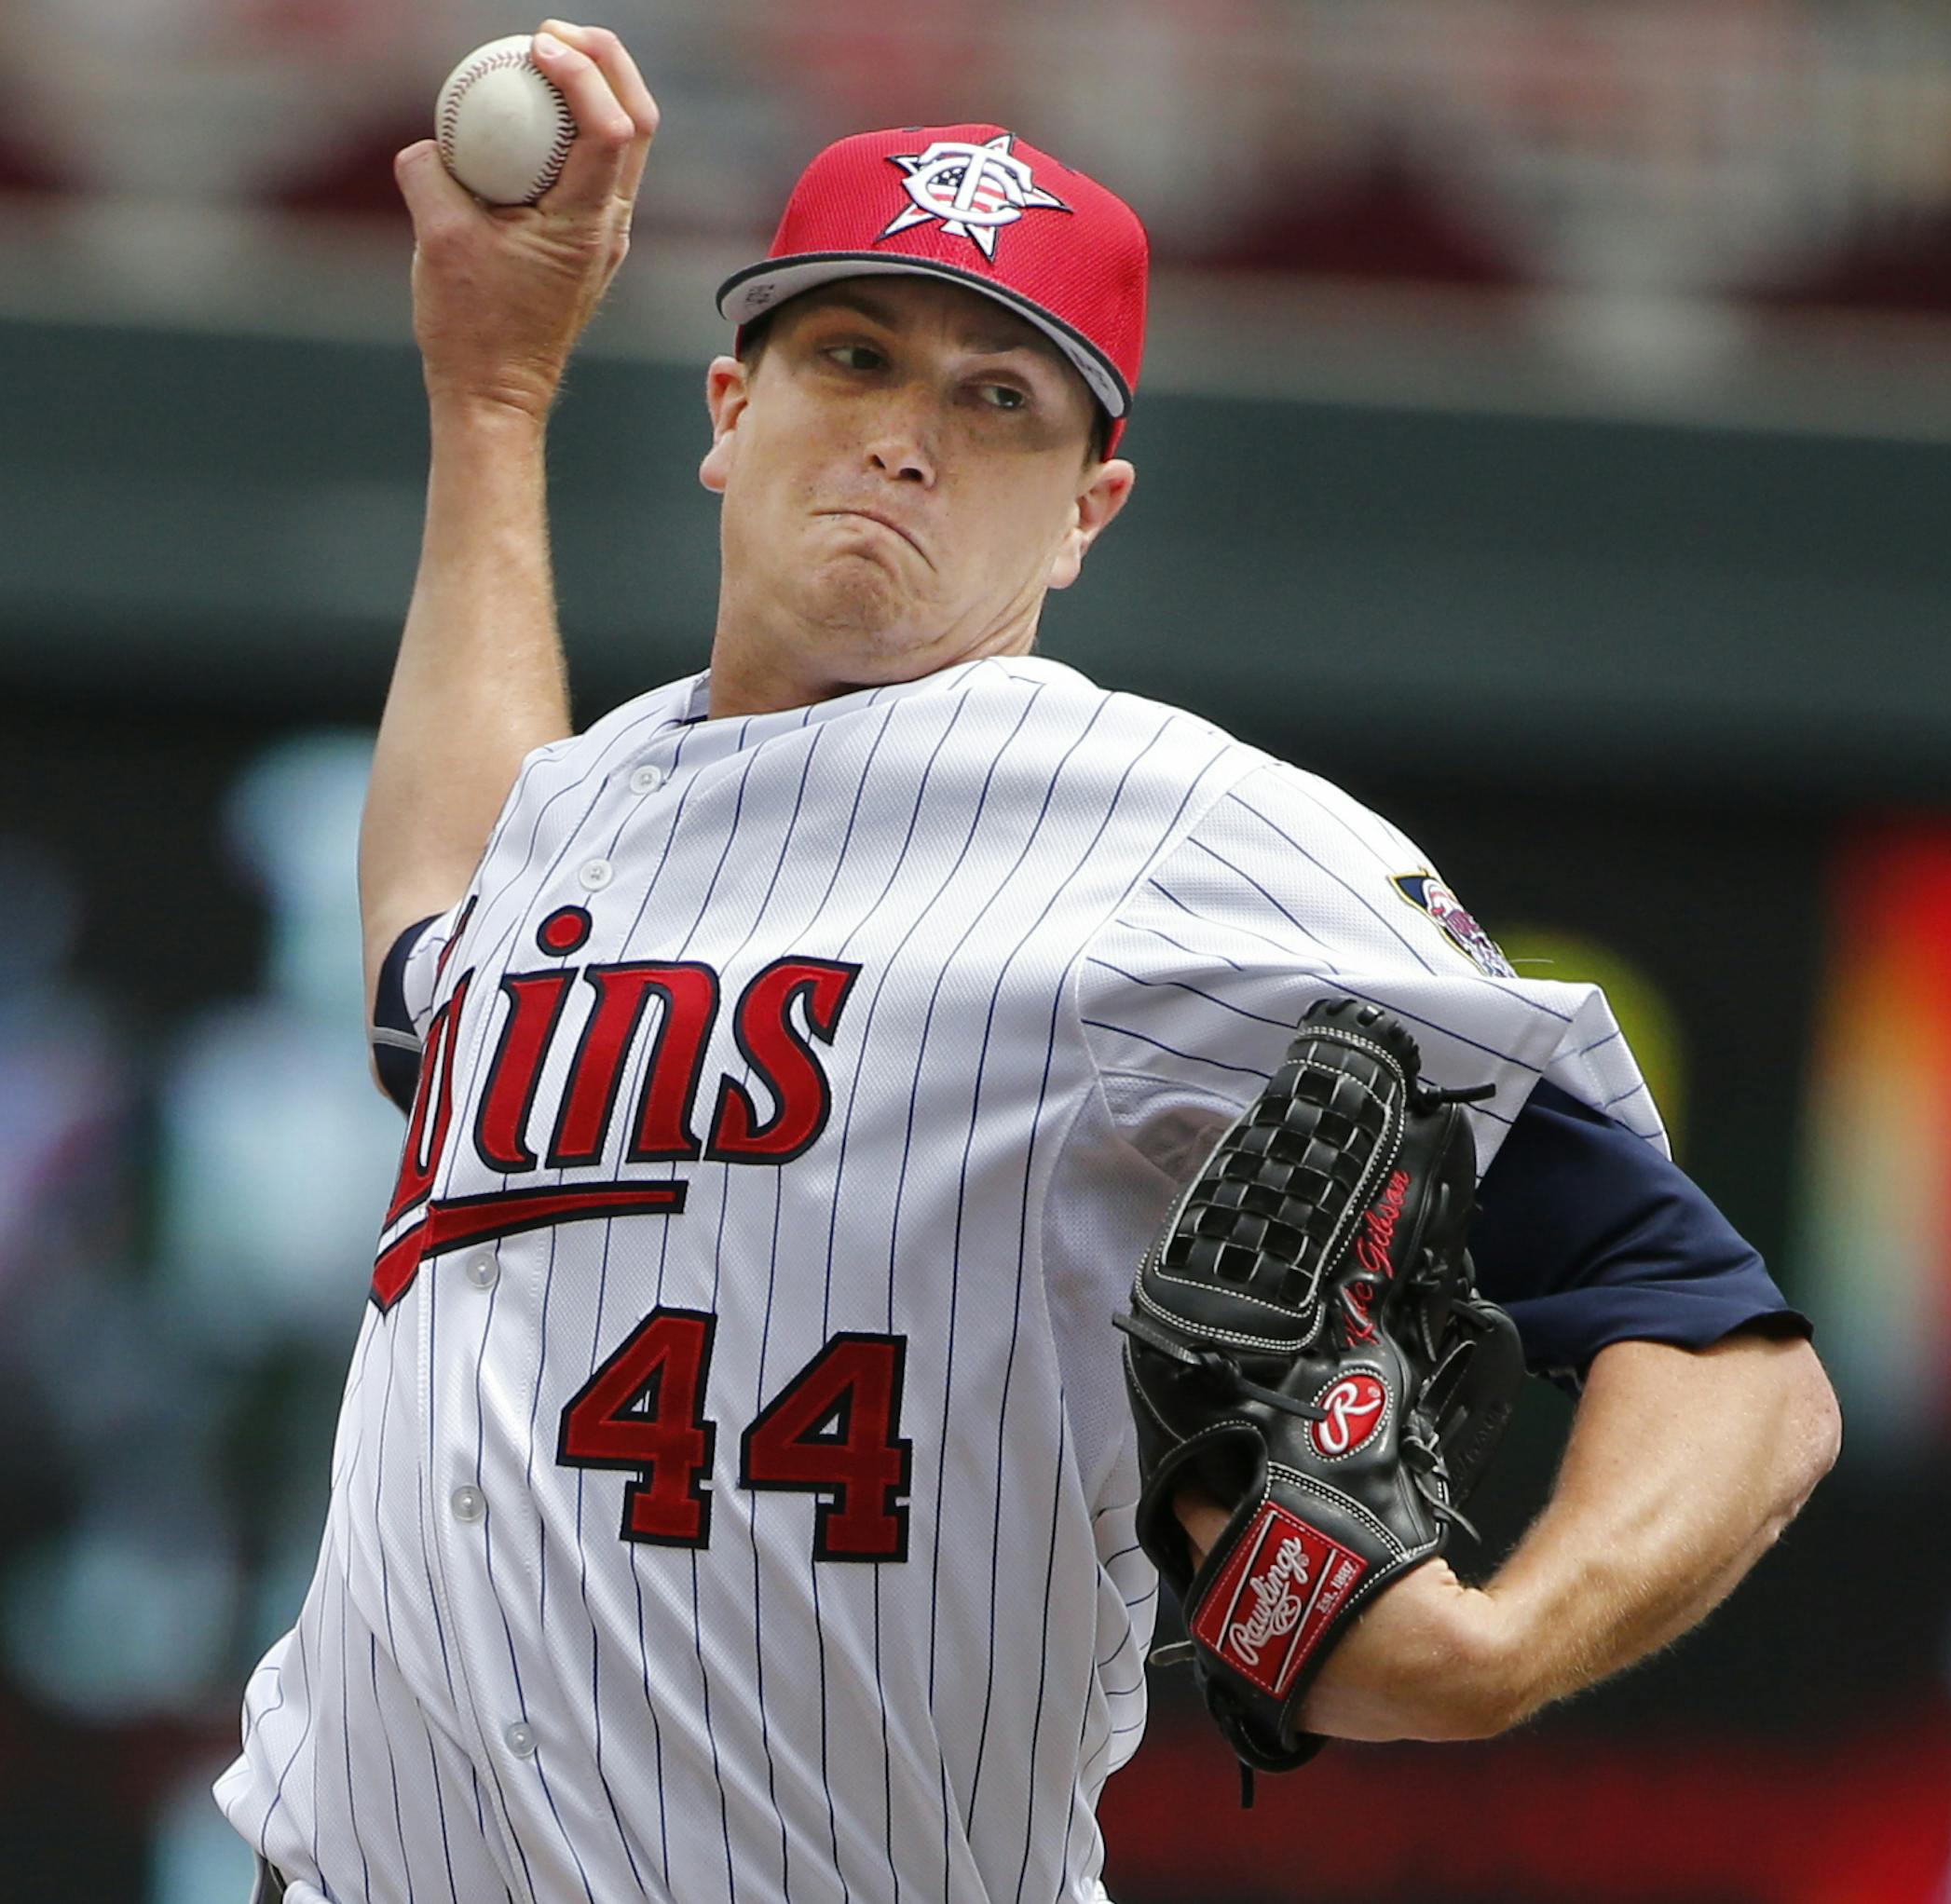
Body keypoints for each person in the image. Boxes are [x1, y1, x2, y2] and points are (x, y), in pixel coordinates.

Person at [215, 22, 1840, 1904]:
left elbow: (1726, 1343)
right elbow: (440, 922)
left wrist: (1502, 1645)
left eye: (1001, 399)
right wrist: (492, 397)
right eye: (855, 354)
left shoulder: (1167, 834)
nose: (906, 428)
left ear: (1089, 512)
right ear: (731, 407)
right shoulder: (578, 815)